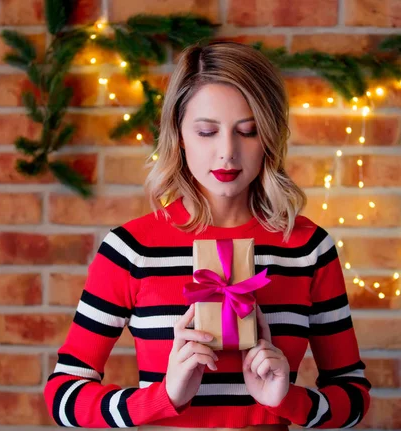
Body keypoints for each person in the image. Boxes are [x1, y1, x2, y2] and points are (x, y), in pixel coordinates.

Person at [44, 40, 371, 429]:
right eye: (206, 132)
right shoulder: (131, 250)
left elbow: (353, 393)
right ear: (179, 135)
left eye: (247, 132)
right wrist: (163, 398)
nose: (227, 153)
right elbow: (63, 394)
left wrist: (289, 401)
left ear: (270, 136)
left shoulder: (308, 249)